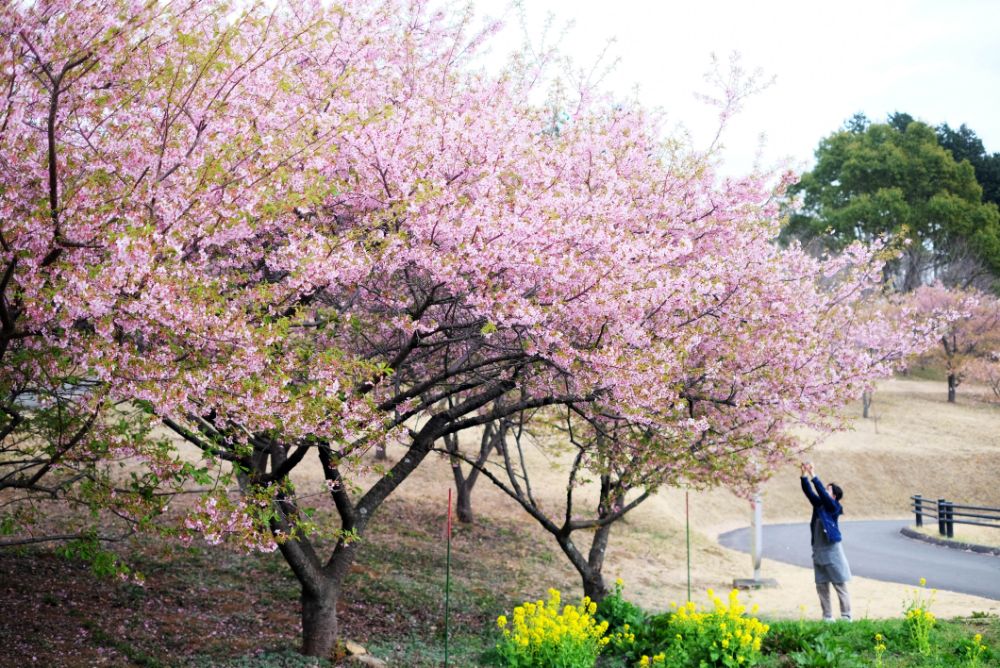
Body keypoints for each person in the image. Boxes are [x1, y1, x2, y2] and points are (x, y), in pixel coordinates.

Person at [800, 462, 851, 621]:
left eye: (828, 490)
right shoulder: (819, 505)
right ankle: (827, 616)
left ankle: (846, 616)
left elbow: (820, 492)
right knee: (821, 585)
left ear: (834, 496)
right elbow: (809, 492)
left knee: (839, 584)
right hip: (818, 550)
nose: (824, 491)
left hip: (832, 551)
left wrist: (814, 474)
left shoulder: (833, 507)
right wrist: (804, 475)